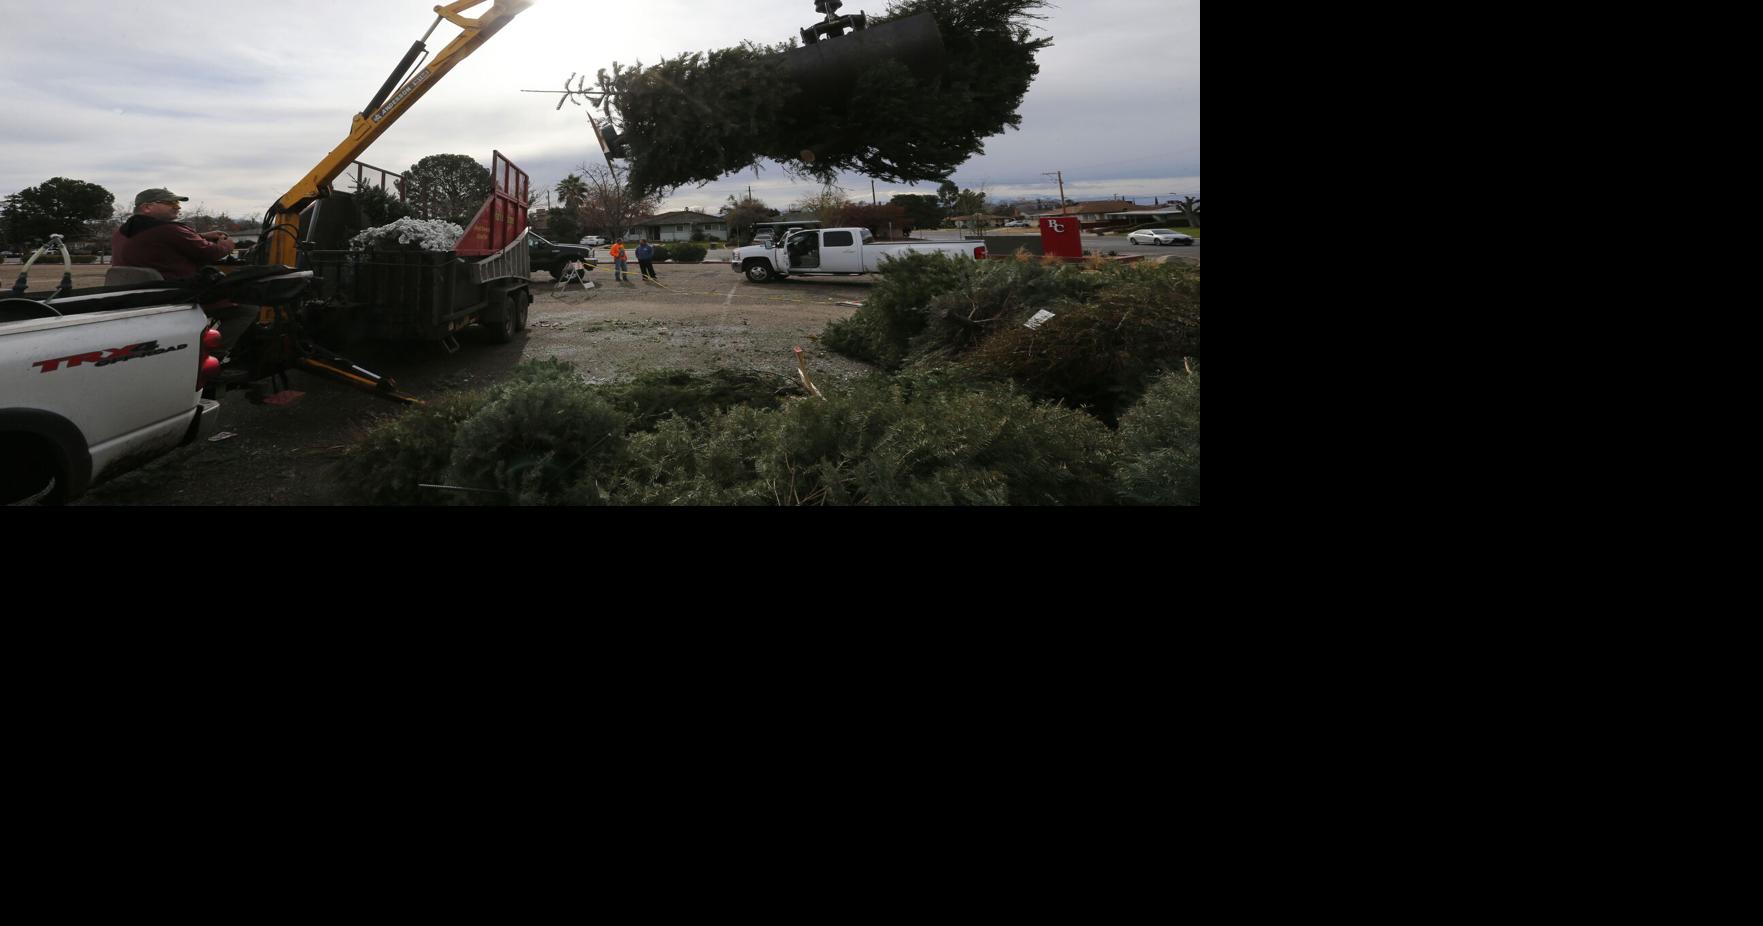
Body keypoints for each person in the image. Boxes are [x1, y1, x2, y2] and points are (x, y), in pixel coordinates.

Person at [110, 188, 235, 280]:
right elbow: (209, 253)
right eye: (171, 203)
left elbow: (159, 242)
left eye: (178, 204)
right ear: (147, 207)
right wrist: (225, 245)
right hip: (176, 293)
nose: (178, 207)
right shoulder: (168, 229)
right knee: (245, 307)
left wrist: (201, 236)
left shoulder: (121, 231)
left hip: (136, 293)